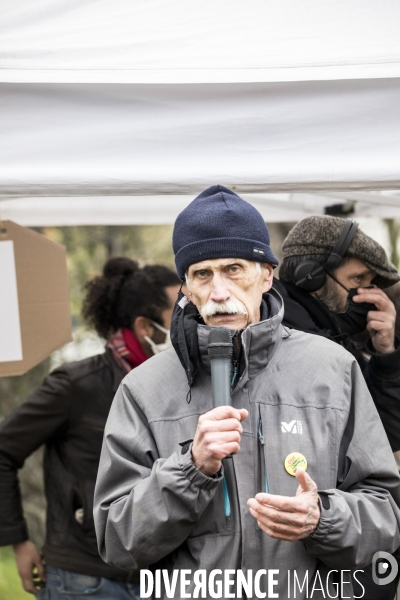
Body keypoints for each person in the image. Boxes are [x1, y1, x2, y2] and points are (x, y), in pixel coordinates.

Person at [94, 186, 400, 600]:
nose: (219, 292)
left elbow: (385, 512)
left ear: (266, 275)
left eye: (234, 269)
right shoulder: (143, 389)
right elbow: (117, 541)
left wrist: (322, 518)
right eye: (202, 274)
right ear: (185, 287)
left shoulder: (333, 369)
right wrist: (191, 469)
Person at [0, 257, 180, 599]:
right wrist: (17, 540)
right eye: (181, 313)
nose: (193, 321)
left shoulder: (180, 386)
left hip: (161, 577)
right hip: (83, 579)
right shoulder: (76, 385)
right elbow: (3, 450)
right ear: (146, 327)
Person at [273, 216, 400, 600]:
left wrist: (386, 354)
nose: (366, 294)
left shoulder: (335, 338)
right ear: (312, 276)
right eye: (359, 280)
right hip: (307, 562)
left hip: (339, 542)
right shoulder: (293, 344)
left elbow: (382, 435)